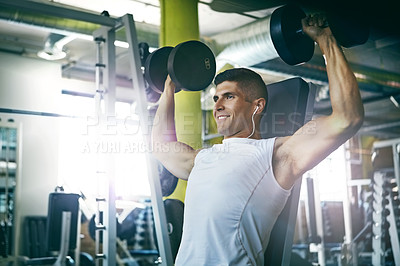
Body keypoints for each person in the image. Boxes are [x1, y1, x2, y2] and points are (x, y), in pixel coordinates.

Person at [151, 13, 364, 266]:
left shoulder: (276, 155)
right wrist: (169, 88)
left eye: (228, 97)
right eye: (215, 99)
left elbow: (347, 118)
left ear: (257, 106)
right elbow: (160, 147)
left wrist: (325, 39)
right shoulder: (203, 158)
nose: (217, 105)